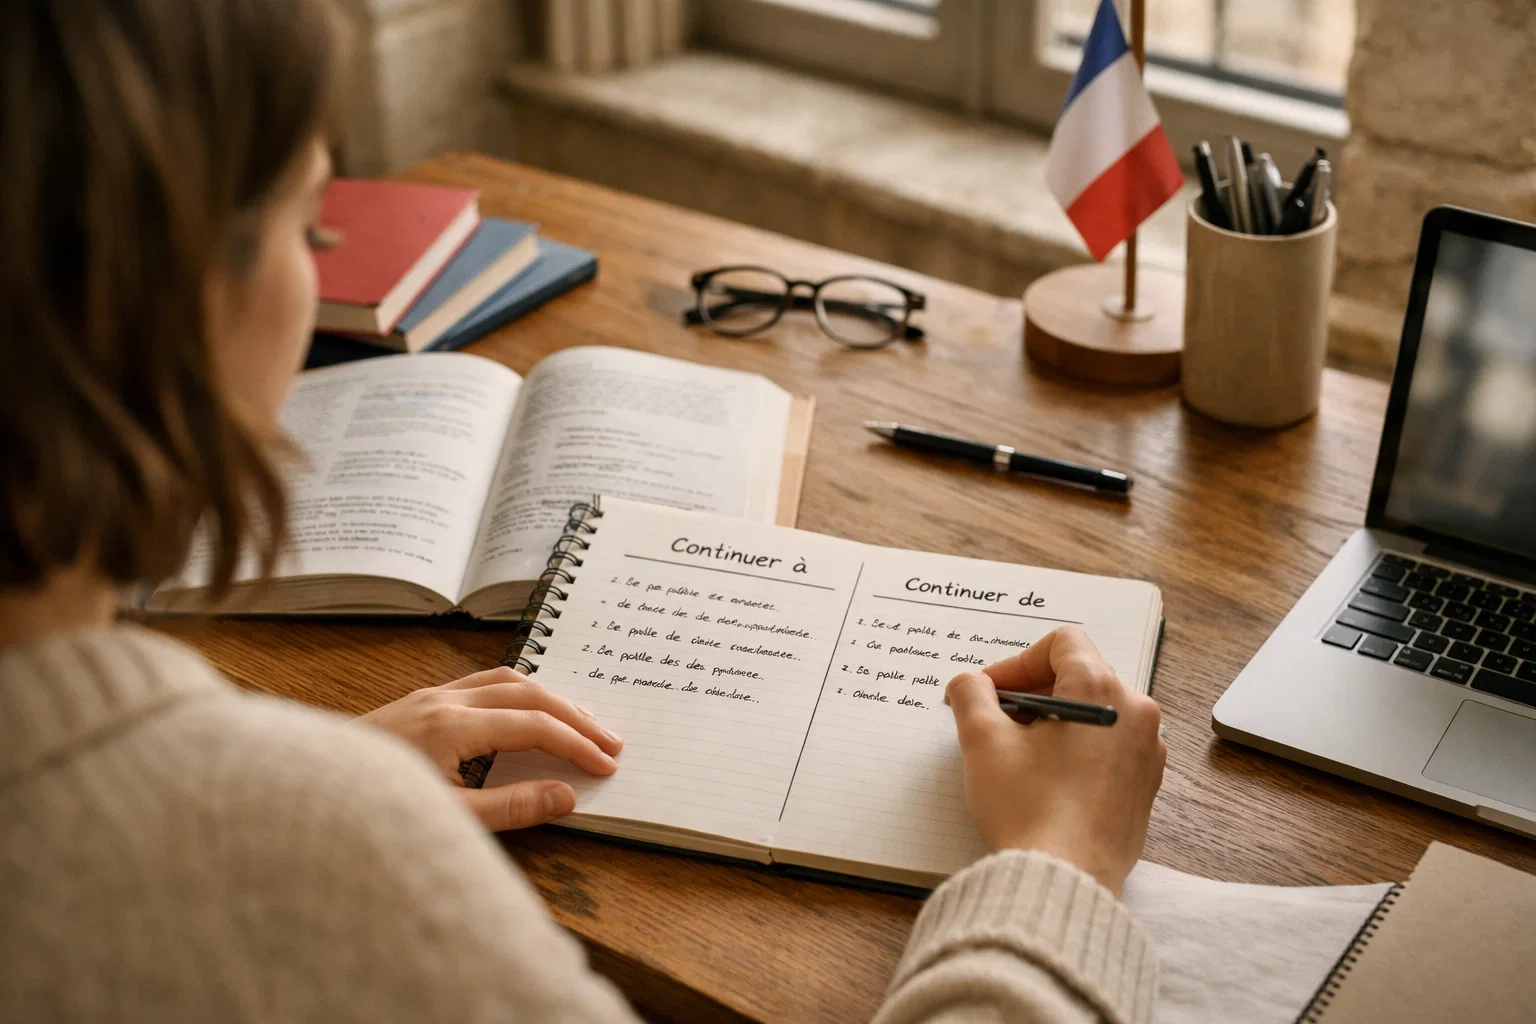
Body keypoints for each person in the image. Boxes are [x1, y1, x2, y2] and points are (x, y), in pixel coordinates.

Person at [0, 1, 1167, 1020]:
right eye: (311, 226)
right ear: (172, 291)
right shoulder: (309, 852)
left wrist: (315, 783)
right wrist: (1061, 866)